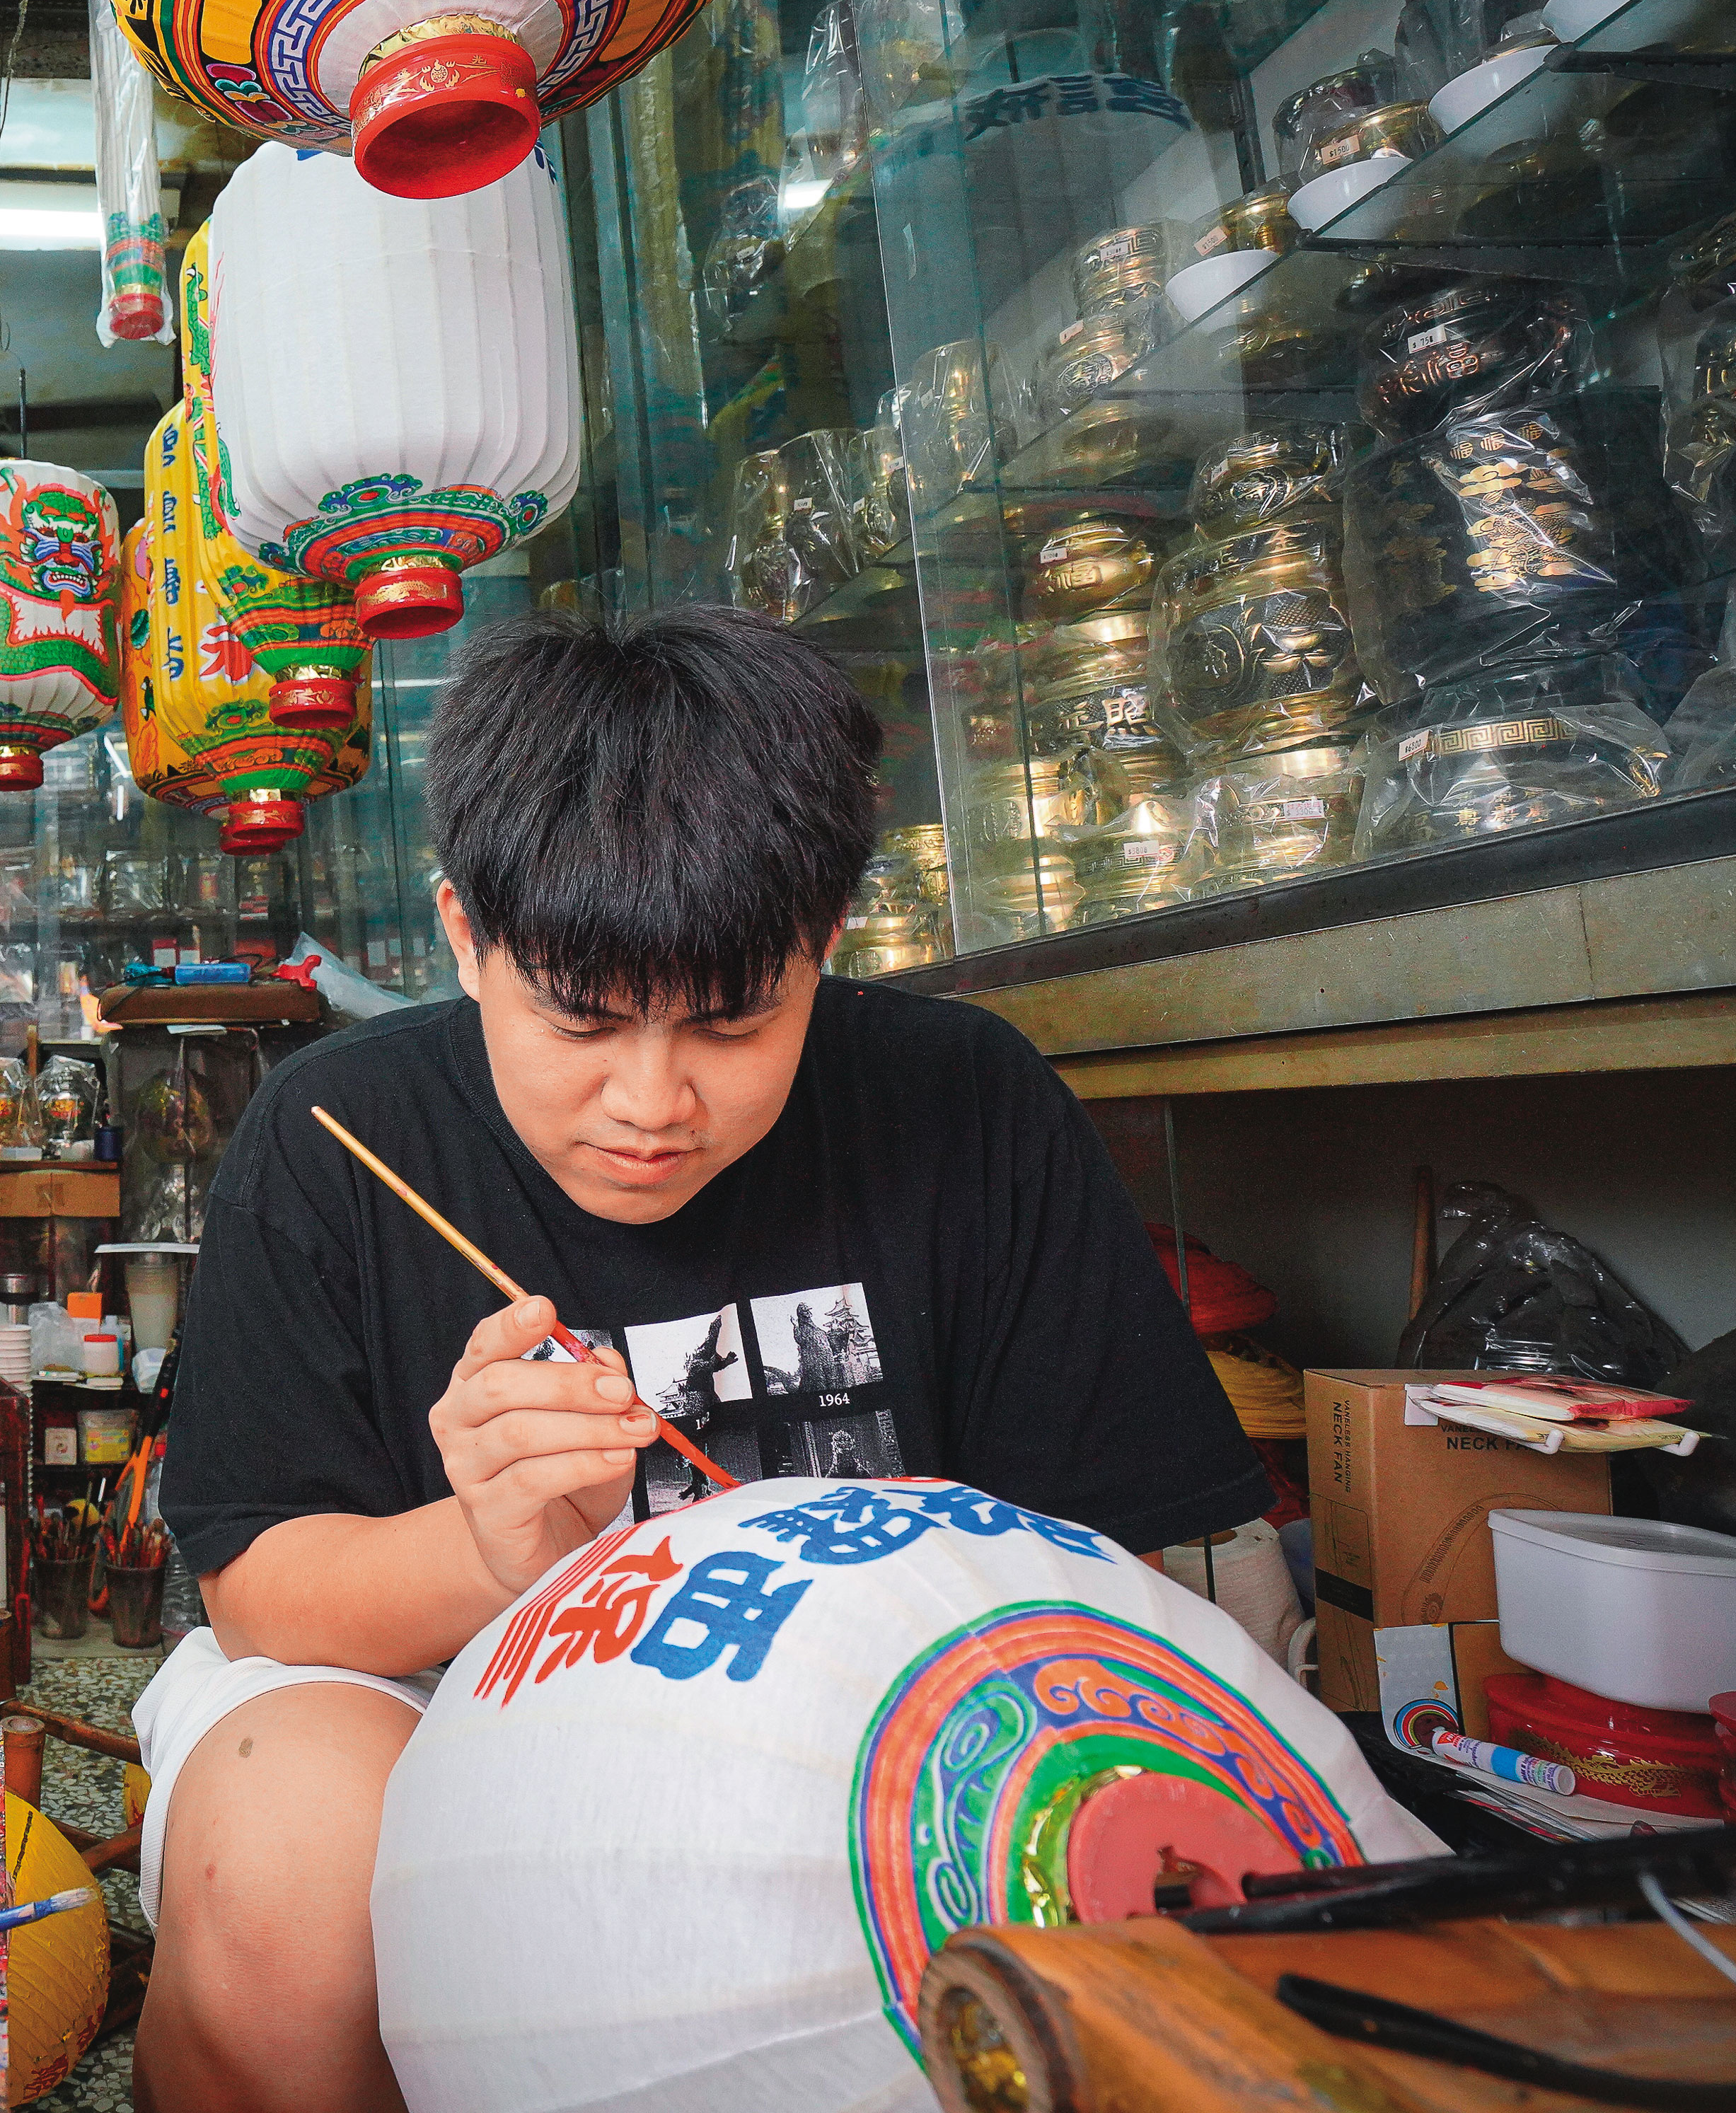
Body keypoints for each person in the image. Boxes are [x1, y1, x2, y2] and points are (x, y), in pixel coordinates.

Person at [131, 608, 1266, 2113]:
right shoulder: (343, 1134)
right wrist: (493, 1551)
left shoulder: (960, 1102)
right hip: (410, 1678)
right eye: (579, 1020)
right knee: (292, 1878)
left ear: (827, 940)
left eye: (735, 1019)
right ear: (465, 934)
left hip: (872, 1709)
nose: (651, 1102)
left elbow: (1104, 1556)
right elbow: (263, 1588)